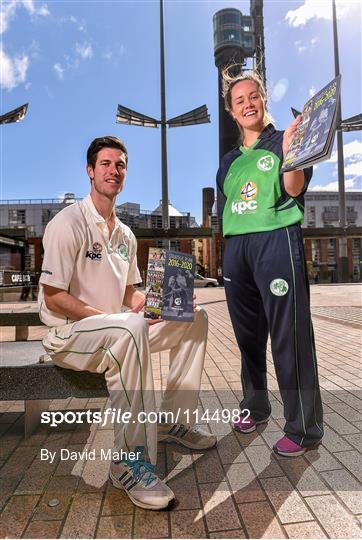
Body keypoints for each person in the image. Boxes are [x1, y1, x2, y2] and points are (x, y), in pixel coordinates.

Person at [38, 135, 215, 510]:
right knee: (130, 328)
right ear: (90, 171)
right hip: (70, 336)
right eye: (105, 164)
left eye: (120, 165)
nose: (113, 170)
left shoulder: (126, 234)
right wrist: (116, 318)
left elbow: (130, 296)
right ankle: (129, 463)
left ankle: (171, 421)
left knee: (195, 317)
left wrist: (165, 304)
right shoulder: (68, 223)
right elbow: (54, 296)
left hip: (118, 331)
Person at [216, 70, 323, 457]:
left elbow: (294, 188)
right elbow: (226, 208)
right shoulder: (227, 162)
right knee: (247, 337)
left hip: (276, 240)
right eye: (239, 99)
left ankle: (303, 427)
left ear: (264, 100)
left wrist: (292, 151)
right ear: (231, 110)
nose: (247, 103)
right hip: (237, 249)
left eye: (254, 96)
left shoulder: (283, 141)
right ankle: (255, 406)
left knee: (288, 334)